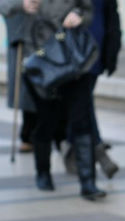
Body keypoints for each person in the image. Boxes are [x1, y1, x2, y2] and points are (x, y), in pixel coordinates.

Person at [1, 0, 106, 200]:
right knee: (47, 120)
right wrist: (21, 5)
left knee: (81, 119)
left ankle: (88, 182)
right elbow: (4, 6)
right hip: (41, 59)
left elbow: (88, 10)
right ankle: (43, 172)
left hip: (73, 57)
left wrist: (78, 16)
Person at [62, 0, 122, 180]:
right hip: (72, 49)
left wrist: (112, 48)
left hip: (96, 48)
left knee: (82, 102)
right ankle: (98, 151)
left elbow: (111, 15)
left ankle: (72, 148)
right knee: (82, 102)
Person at [3, 10, 36, 153]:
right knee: (25, 92)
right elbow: (5, 6)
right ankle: (27, 136)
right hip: (21, 41)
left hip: (43, 40)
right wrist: (22, 4)